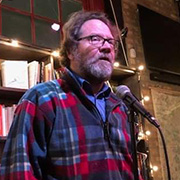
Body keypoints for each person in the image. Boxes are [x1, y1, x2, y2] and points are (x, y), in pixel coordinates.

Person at [0, 11, 142, 180]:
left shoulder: (119, 107)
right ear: (70, 50)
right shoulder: (42, 99)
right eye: (95, 39)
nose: (107, 47)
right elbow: (18, 173)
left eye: (111, 42)